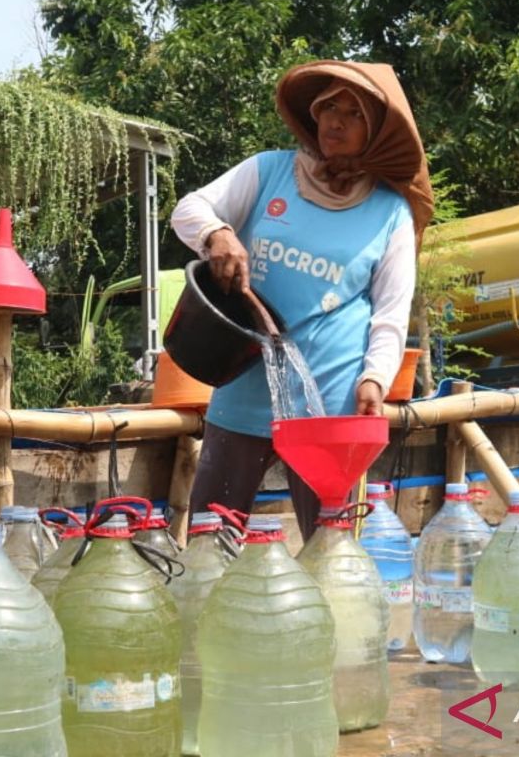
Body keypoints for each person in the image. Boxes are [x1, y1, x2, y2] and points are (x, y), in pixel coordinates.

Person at [170, 60, 434, 539]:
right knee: (211, 537)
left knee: (329, 547)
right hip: (244, 387)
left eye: (353, 114)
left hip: (330, 403)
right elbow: (189, 208)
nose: (335, 120)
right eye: (329, 107)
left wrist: (374, 379)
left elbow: (391, 316)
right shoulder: (269, 171)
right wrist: (217, 233)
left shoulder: (389, 212)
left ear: (374, 132)